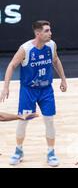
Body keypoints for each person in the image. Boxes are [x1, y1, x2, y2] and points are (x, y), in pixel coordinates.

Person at [0, 20, 68, 167]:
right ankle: (19, 150)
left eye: (50, 30)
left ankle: (51, 152)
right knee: (23, 120)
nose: (50, 33)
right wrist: (6, 87)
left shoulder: (51, 45)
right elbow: (11, 65)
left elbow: (56, 61)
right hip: (28, 90)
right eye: (47, 31)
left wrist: (63, 79)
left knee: (49, 120)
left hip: (46, 90)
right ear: (38, 33)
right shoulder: (25, 49)